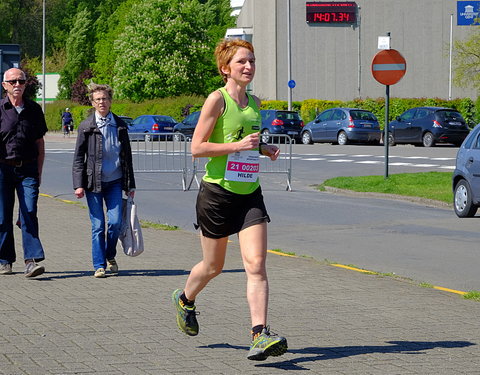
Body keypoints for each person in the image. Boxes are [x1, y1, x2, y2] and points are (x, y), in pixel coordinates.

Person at [171, 39, 287, 361]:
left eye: (251, 61)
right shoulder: (216, 100)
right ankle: (184, 299)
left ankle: (259, 334)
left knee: (256, 265)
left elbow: (247, 141)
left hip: (250, 193)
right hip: (217, 195)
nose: (248, 66)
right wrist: (237, 147)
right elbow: (197, 147)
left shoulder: (255, 103)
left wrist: (262, 148)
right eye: (241, 62)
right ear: (226, 69)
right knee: (213, 265)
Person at [72, 83, 135, 278]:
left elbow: (127, 157)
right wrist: (78, 184)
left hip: (115, 181)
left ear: (110, 101)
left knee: (115, 223)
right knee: (98, 225)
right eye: (98, 99)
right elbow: (78, 158)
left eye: (105, 98)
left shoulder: (120, 126)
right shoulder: (86, 127)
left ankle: (110, 255)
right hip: (93, 182)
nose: (102, 102)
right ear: (92, 102)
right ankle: (99, 265)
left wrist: (130, 184)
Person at [0, 68, 47, 277]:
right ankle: (5, 260)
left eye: (21, 81)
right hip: (3, 169)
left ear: (26, 84)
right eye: (13, 82)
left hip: (27, 170)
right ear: (5, 86)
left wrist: (38, 173)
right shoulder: (0, 109)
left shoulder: (34, 109)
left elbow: (40, 143)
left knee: (28, 212)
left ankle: (31, 261)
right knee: (2, 217)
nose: (17, 85)